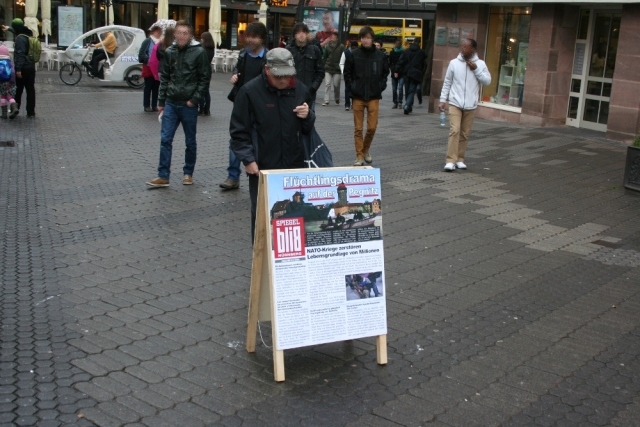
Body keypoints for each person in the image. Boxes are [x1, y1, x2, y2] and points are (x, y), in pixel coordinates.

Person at [229, 48, 315, 242]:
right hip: (262, 167)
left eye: (288, 76)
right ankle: (261, 266)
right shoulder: (249, 92)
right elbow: (238, 131)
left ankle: (290, 263)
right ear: (267, 69)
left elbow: (308, 129)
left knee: (294, 217)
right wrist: (248, 160)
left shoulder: (300, 90)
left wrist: (308, 116)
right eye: (279, 77)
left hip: (294, 167)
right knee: (262, 217)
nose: (284, 81)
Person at [146, 21, 211, 188]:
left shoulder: (199, 52)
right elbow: (165, 78)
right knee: (165, 139)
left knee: (190, 141)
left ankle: (188, 173)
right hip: (171, 103)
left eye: (185, 33)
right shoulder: (169, 51)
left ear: (190, 35)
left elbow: (204, 79)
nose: (181, 36)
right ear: (174, 34)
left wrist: (194, 100)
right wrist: (161, 102)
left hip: (188, 105)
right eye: (179, 33)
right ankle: (163, 175)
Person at [219, 22, 269, 191]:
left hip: (260, 106)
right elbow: (237, 71)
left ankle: (260, 175)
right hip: (242, 103)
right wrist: (234, 76)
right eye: (248, 36)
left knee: (260, 141)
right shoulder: (243, 54)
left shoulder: (267, 58)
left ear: (261, 38)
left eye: (254, 37)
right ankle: (233, 177)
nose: (250, 40)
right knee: (236, 139)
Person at [439, 38, 491, 172]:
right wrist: (442, 99)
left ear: (473, 49)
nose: (463, 49)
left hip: (471, 104)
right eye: (462, 47)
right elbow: (447, 82)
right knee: (454, 130)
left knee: (464, 133)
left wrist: (476, 70)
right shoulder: (454, 63)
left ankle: (460, 159)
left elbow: (487, 81)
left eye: (466, 47)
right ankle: (450, 160)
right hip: (455, 102)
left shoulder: (480, 64)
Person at [343, 26, 389, 166]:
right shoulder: (354, 54)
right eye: (363, 38)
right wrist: (352, 87)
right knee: (358, 128)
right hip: (358, 96)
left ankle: (366, 149)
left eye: (368, 38)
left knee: (372, 127)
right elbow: (347, 73)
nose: (365, 40)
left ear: (372, 39)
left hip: (374, 95)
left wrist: (380, 86)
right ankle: (359, 156)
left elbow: (385, 73)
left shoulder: (380, 55)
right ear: (360, 39)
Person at [287, 23, 324, 110]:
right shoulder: (288, 50)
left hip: (309, 93)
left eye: (303, 32)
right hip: (291, 92)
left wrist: (313, 87)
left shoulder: (315, 50)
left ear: (307, 34)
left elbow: (320, 71)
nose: (301, 35)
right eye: (298, 32)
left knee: (309, 120)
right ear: (294, 35)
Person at [9, 18, 36, 118]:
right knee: (30, 90)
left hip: (23, 67)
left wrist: (18, 69)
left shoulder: (20, 39)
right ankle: (31, 111)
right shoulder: (28, 34)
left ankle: (15, 109)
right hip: (31, 66)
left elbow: (20, 54)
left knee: (18, 90)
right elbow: (17, 31)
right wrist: (9, 29)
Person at [395, 40, 425, 115]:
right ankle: (407, 105)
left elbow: (400, 61)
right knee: (412, 91)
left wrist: (396, 70)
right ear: (419, 44)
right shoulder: (421, 52)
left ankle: (408, 106)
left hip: (406, 73)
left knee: (407, 90)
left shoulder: (406, 51)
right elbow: (424, 64)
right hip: (416, 74)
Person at [140, 23, 163, 112]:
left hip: (157, 67)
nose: (159, 33)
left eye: (160, 32)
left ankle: (154, 105)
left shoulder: (161, 42)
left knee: (156, 87)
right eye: (158, 32)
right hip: (149, 67)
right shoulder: (147, 41)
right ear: (153, 32)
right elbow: (142, 54)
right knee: (148, 86)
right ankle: (146, 105)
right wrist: (149, 60)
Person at [321, 31, 344, 107]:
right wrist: (324, 64)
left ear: (337, 38)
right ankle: (326, 100)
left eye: (334, 36)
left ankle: (336, 98)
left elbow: (343, 57)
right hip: (328, 67)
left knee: (336, 84)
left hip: (337, 68)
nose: (332, 38)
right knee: (327, 84)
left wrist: (342, 66)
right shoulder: (328, 46)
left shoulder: (341, 47)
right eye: (332, 36)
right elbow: (325, 56)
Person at [199, 32, 216, 116]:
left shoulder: (202, 48)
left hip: (202, 70)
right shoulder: (211, 48)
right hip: (208, 69)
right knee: (206, 90)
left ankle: (201, 108)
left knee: (201, 90)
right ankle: (207, 109)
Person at [0, 44, 19, 119]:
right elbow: (13, 72)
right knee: (9, 95)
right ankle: (14, 107)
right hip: (9, 82)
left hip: (1, 82)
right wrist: (12, 81)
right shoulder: (9, 62)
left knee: (2, 96)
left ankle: (4, 114)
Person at [339, 40, 358, 111]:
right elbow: (341, 63)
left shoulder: (357, 53)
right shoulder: (346, 53)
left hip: (355, 74)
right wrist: (343, 71)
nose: (354, 49)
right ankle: (347, 104)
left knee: (354, 89)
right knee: (348, 89)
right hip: (347, 73)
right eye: (353, 47)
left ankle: (352, 103)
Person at [389, 39, 404, 109]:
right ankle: (395, 102)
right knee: (394, 89)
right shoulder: (392, 52)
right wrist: (393, 71)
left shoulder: (403, 52)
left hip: (401, 72)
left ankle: (400, 102)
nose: (397, 45)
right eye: (396, 43)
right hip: (394, 72)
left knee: (400, 88)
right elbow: (390, 63)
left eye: (398, 43)